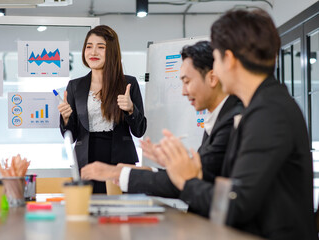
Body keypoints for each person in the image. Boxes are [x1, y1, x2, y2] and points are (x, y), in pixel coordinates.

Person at [158, 10, 317, 239]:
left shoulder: (268, 112)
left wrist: (188, 180)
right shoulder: (263, 105)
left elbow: (236, 204)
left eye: (216, 57)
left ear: (229, 60)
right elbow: (234, 189)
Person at [81, 41, 243, 198]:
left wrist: (122, 174)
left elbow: (195, 179)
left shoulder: (233, 120)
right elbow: (194, 178)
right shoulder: (220, 117)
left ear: (212, 78)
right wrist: (155, 169)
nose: (183, 92)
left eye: (187, 81)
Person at [58, 25, 147, 193]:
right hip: (86, 161)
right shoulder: (75, 86)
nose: (93, 52)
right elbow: (69, 134)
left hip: (120, 161)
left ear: (112, 51)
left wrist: (130, 110)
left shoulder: (128, 83)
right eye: (89, 46)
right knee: (88, 212)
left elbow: (139, 130)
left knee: (120, 213)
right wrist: (66, 119)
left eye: (101, 47)